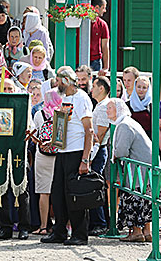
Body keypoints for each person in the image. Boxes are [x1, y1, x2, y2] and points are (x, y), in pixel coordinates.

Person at [41, 66, 93, 246]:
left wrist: (85, 159)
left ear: (66, 81)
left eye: (58, 80)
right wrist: (54, 142)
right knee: (58, 193)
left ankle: (80, 234)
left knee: (75, 195)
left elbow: (89, 131)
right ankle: (59, 231)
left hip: (76, 152)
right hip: (63, 152)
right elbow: (64, 126)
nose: (56, 84)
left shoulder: (82, 99)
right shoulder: (65, 98)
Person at [107, 98, 152, 242]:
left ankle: (136, 232)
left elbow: (121, 151)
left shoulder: (124, 125)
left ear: (118, 109)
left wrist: (114, 154)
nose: (106, 111)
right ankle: (147, 232)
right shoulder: (129, 122)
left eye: (109, 108)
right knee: (146, 199)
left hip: (139, 170)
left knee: (135, 197)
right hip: (146, 168)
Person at [0, 79, 31, 241]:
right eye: (4, 88)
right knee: (2, 192)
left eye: (10, 88)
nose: (7, 91)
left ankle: (24, 227)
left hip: (18, 154)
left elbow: (29, 126)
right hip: (1, 154)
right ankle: (6, 228)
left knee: (22, 193)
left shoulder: (22, 106)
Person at [31, 90, 62, 236]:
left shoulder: (39, 114)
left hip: (42, 156)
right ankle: (63, 225)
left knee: (44, 192)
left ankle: (43, 226)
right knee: (60, 192)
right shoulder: (62, 114)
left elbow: (34, 135)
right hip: (59, 155)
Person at [88, 76, 111, 236]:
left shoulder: (103, 108)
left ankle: (100, 223)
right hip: (97, 150)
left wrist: (89, 157)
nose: (91, 89)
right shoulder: (100, 106)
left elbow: (99, 136)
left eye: (94, 86)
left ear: (101, 88)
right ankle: (98, 222)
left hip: (98, 151)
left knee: (95, 187)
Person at [90, 0, 110, 73]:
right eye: (104, 8)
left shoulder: (102, 24)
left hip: (96, 61)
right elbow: (105, 46)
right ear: (97, 7)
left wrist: (105, 67)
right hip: (78, 60)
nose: (105, 11)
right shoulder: (81, 23)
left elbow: (105, 46)